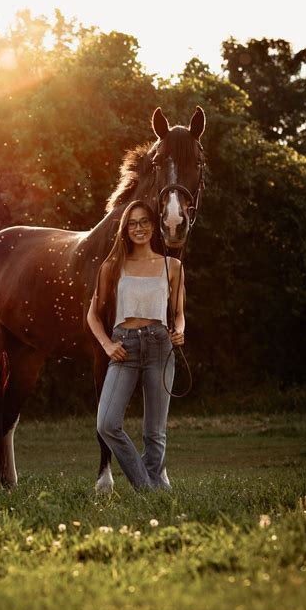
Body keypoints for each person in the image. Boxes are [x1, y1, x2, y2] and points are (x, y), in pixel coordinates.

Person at [87, 199, 185, 490]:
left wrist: (179, 332)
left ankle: (150, 492)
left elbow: (179, 315)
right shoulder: (112, 266)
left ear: (154, 226)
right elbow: (93, 315)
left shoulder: (173, 266)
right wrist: (106, 345)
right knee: (106, 423)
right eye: (132, 223)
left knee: (154, 431)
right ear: (124, 229)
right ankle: (150, 487)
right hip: (123, 346)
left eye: (144, 222)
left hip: (159, 345)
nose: (139, 228)